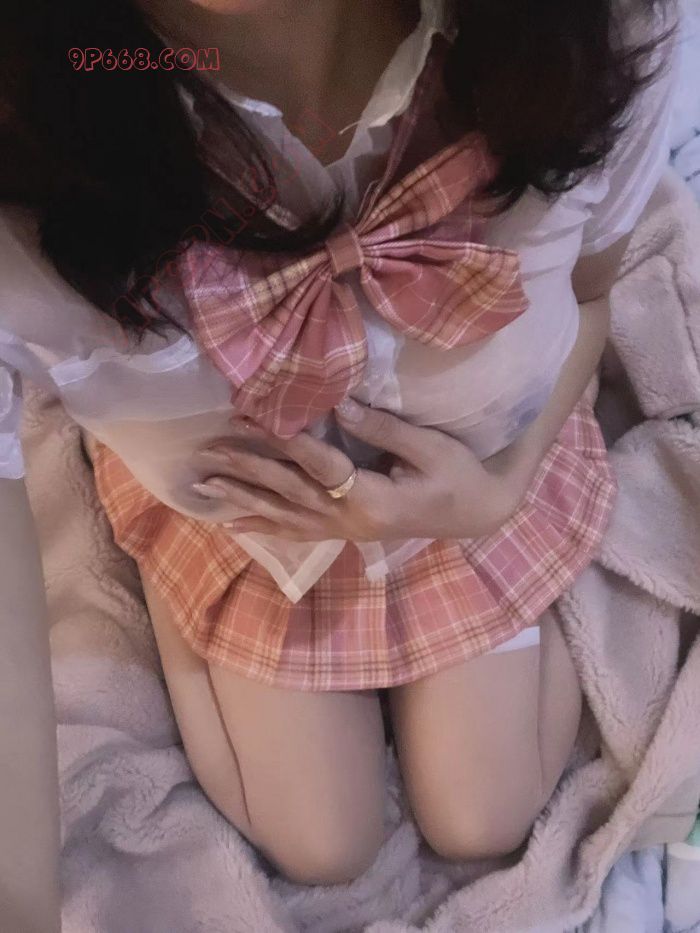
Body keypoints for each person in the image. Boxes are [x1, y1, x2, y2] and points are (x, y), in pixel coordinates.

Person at [0, 0, 679, 916]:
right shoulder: (54, 122)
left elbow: (592, 290)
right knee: (321, 842)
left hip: (466, 491)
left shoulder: (600, 35)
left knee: (484, 814)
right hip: (254, 524)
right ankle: (169, 558)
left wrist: (501, 488)